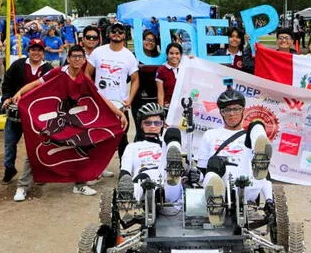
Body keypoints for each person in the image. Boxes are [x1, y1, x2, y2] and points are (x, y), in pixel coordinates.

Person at [11, 45, 127, 200]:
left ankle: (80, 184)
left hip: (72, 121)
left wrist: (119, 113)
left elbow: (101, 99)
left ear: (84, 60)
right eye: (74, 56)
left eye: (80, 56)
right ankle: (22, 186)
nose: (77, 59)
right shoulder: (58, 72)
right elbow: (36, 84)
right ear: (68, 58)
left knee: (80, 146)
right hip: (54, 118)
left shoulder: (84, 78)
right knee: (40, 146)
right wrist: (20, 92)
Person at [195, 83, 274, 226]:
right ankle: (216, 207)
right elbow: (202, 171)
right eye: (226, 110)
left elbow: (265, 175)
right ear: (221, 113)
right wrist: (196, 176)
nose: (232, 114)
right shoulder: (210, 135)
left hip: (246, 183)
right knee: (215, 162)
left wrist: (269, 200)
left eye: (236, 109)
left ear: (243, 110)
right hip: (219, 186)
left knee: (256, 125)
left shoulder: (248, 135)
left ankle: (260, 152)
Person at [86, 22, 139, 176]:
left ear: (124, 35)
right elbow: (87, 74)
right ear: (108, 34)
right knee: (97, 139)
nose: (117, 33)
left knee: (121, 139)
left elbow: (135, 79)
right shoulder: (98, 52)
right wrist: (93, 92)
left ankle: (125, 171)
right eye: (113, 31)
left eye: (120, 31)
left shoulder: (129, 56)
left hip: (119, 105)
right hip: (100, 104)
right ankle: (95, 171)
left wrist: (130, 98)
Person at [0, 38, 54, 185]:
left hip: (37, 114)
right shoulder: (18, 65)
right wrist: (6, 98)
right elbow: (7, 83)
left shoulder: (49, 69)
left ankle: (40, 172)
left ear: (43, 53)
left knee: (38, 145)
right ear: (28, 51)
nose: (36, 53)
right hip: (17, 111)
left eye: (39, 50)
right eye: (33, 49)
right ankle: (9, 168)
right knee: (10, 142)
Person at [116, 103, 185, 216]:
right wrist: (125, 182)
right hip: (145, 181)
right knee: (142, 180)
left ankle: (174, 167)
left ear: (162, 124)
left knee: (173, 133)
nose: (152, 126)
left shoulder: (166, 143)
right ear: (141, 125)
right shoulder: (133, 147)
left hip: (167, 178)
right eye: (148, 123)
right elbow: (125, 171)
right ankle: (129, 198)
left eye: (157, 123)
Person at [131, 30, 160, 134]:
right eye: (147, 39)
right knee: (141, 131)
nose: (150, 42)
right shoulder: (134, 58)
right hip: (138, 101)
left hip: (156, 101)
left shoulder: (160, 59)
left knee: (154, 131)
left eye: (152, 40)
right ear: (141, 41)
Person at [156, 43, 183, 110]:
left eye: (177, 53)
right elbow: (160, 93)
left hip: (183, 108)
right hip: (168, 109)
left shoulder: (185, 67)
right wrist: (161, 111)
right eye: (171, 53)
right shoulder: (161, 70)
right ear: (167, 54)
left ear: (181, 55)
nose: (174, 56)